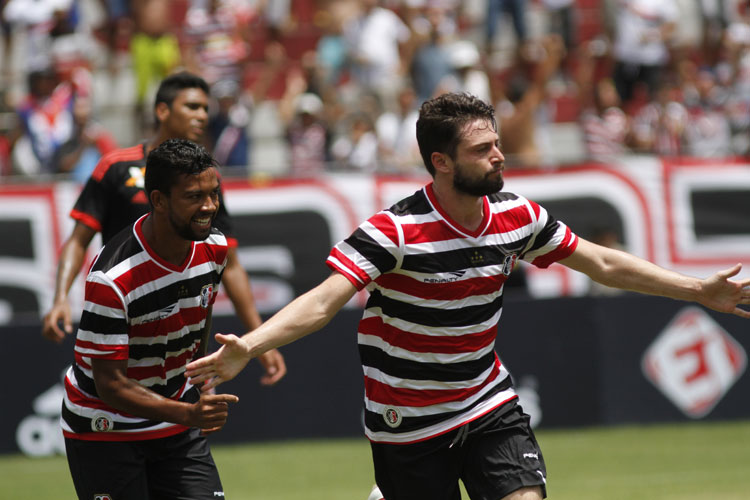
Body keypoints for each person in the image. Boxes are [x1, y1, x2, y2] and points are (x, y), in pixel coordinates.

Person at [186, 92, 750, 500]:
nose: (500, 157)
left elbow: (601, 262)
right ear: (442, 163)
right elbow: (323, 301)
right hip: (405, 421)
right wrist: (250, 346)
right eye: (484, 150)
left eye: (498, 144)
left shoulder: (516, 216)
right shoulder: (395, 231)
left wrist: (697, 289)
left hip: (485, 402)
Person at [42, 71, 286, 386]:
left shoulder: (207, 180)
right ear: (162, 111)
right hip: (127, 310)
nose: (201, 116)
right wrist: (61, 297)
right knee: (114, 395)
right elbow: (78, 240)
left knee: (183, 416)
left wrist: (257, 338)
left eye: (205, 109)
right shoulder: (116, 167)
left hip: (181, 323)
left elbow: (231, 264)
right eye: (192, 107)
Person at [62, 138, 240, 499]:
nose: (209, 207)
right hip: (106, 425)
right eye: (194, 196)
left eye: (214, 193)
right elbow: (110, 385)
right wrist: (188, 414)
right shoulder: (112, 280)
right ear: (158, 200)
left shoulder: (214, 249)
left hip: (175, 418)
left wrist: (200, 380)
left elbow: (197, 322)